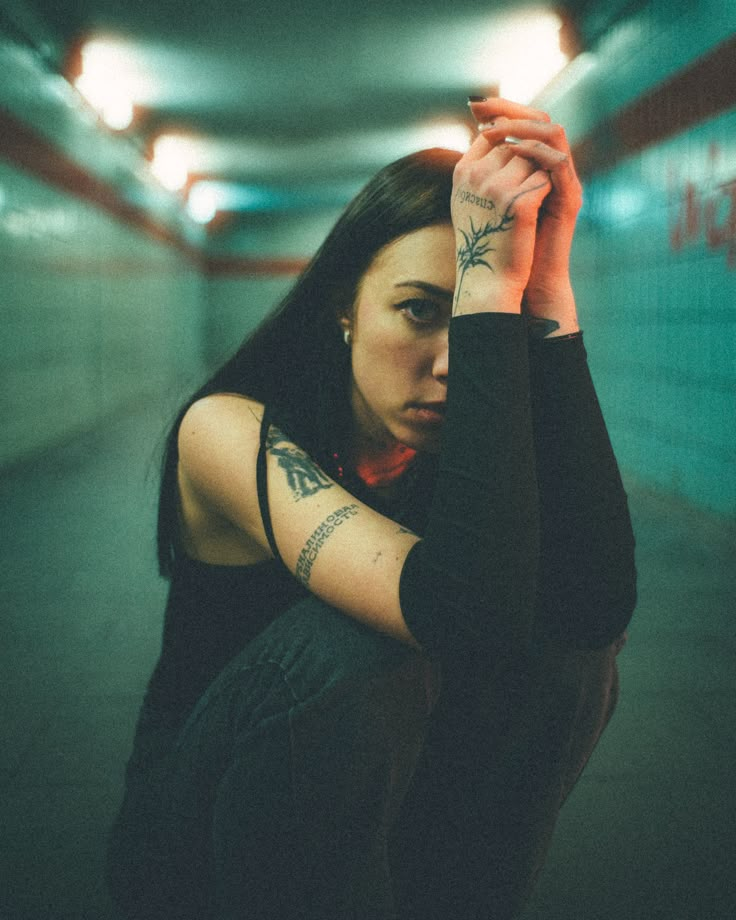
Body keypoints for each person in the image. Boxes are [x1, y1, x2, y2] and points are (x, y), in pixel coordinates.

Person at [106, 97, 636, 920]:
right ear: (343, 308)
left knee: (572, 652)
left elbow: (591, 613)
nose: (454, 365)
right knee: (351, 640)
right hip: (193, 845)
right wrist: (486, 277)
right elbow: (456, 612)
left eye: (471, 323)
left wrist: (547, 293)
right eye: (421, 310)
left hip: (390, 804)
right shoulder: (227, 431)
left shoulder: (469, 451)